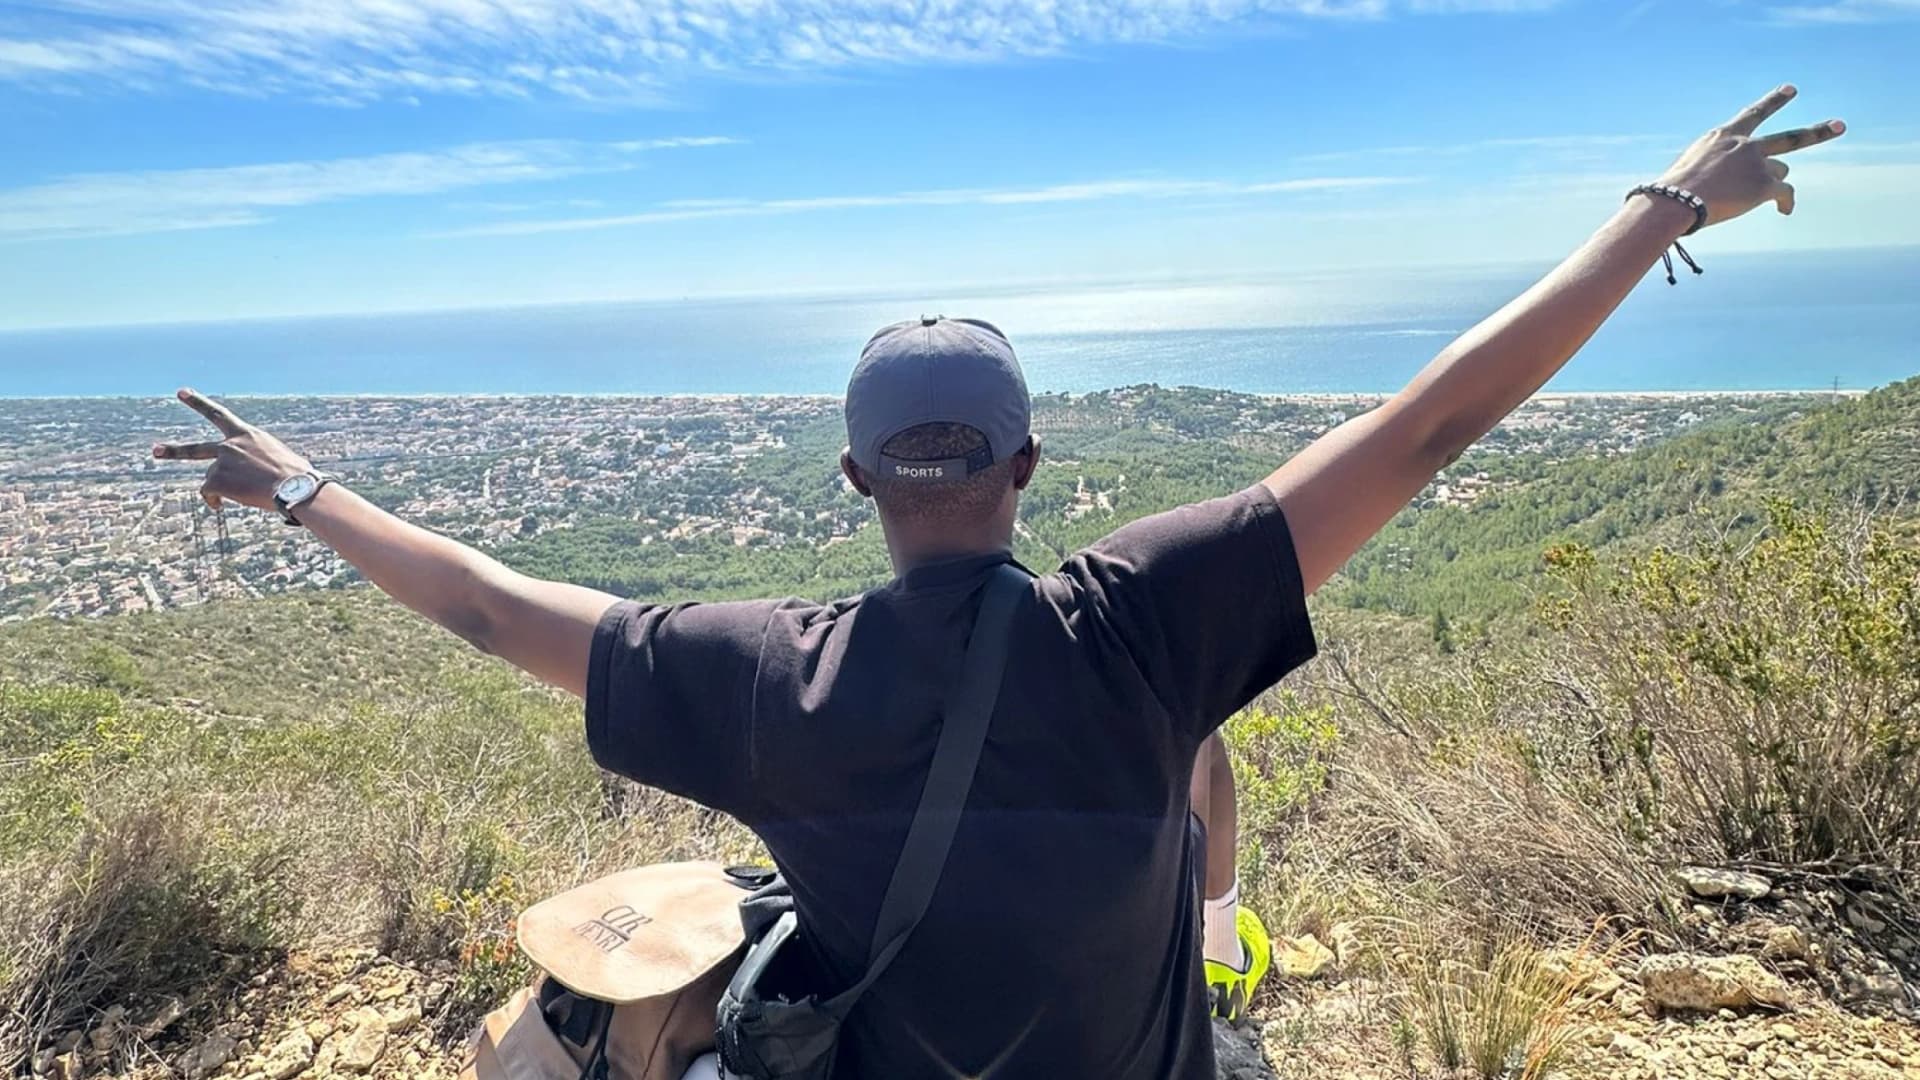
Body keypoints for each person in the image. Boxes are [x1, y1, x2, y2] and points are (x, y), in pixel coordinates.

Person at [154, 87, 1842, 1079]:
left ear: (854, 484)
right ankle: (1218, 938)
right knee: (1206, 807)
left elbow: (484, 604)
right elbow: (1429, 427)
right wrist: (1660, 211)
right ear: (1027, 466)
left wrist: (301, 489)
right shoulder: (1145, 620)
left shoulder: (766, 677)